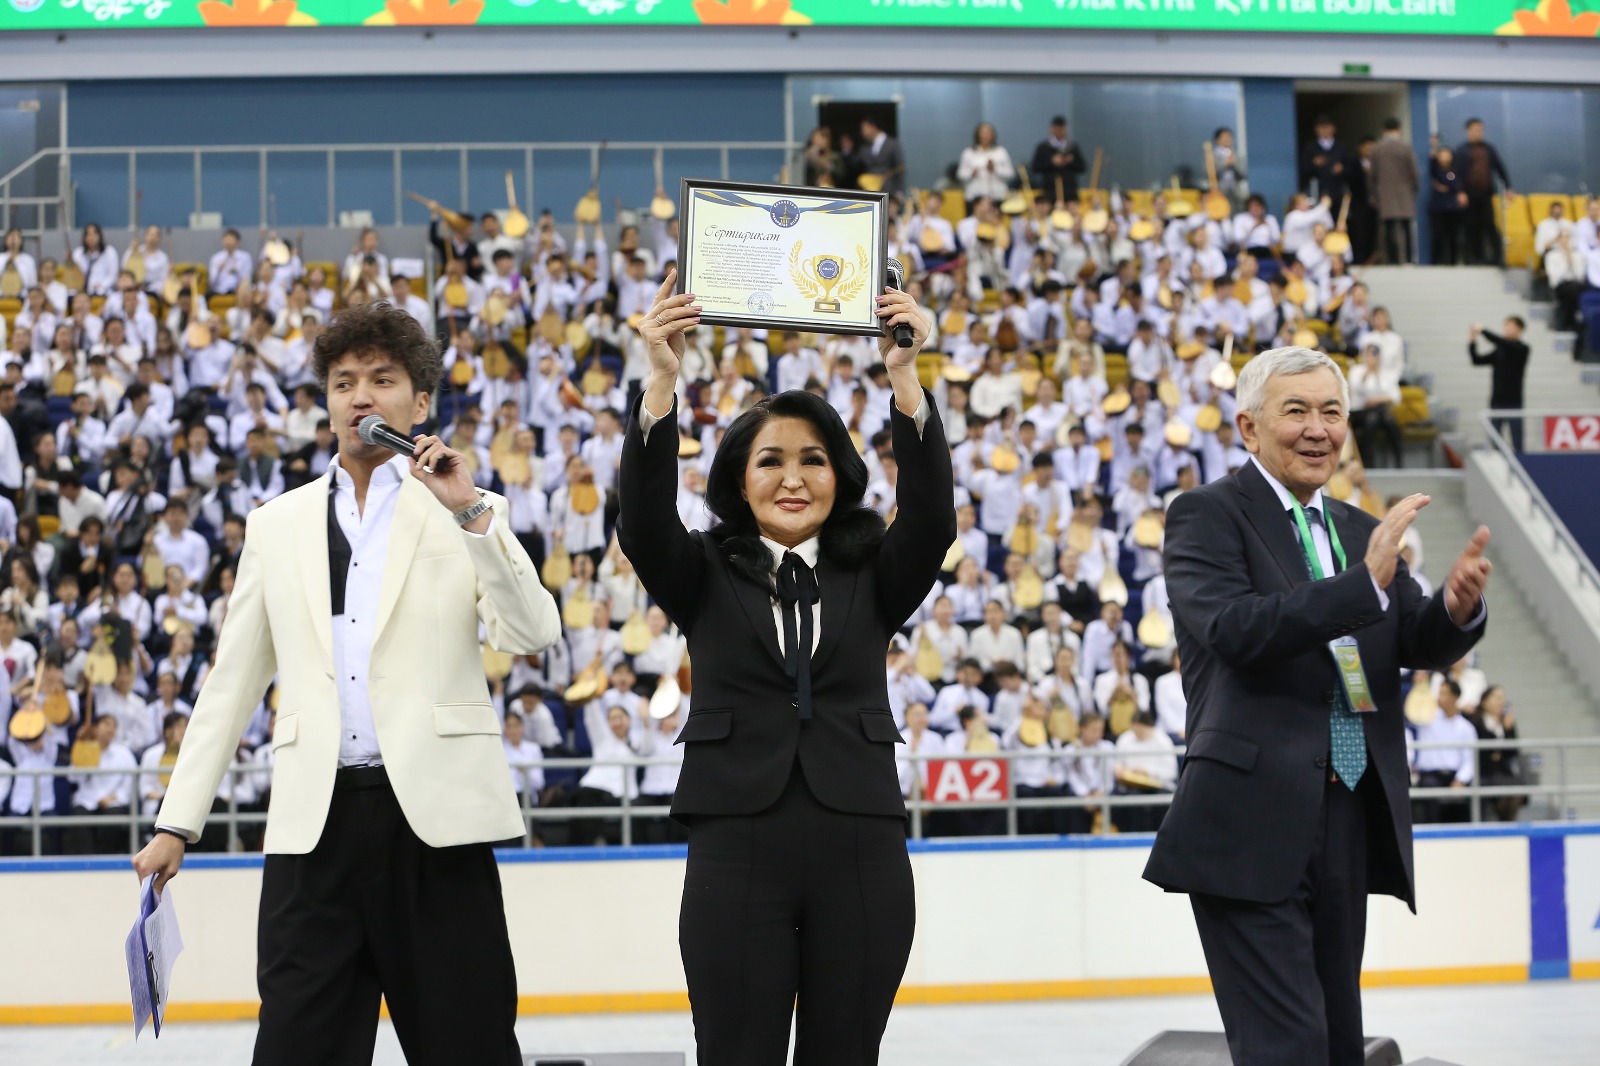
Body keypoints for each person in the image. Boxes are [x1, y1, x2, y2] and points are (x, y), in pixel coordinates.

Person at [131, 301, 562, 1065]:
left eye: (382, 379)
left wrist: (468, 512)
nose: (361, 395)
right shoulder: (276, 524)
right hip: (314, 830)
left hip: (437, 825)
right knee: (297, 1047)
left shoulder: (469, 509)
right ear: (328, 404)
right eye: (343, 382)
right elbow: (231, 684)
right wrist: (177, 823)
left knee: (469, 1046)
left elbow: (531, 634)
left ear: (419, 404)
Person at [618, 268, 952, 1065]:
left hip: (862, 844)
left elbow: (932, 521)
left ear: (841, 476)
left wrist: (905, 379)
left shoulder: (877, 571)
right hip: (736, 842)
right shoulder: (699, 571)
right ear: (739, 480)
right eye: (770, 461)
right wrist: (661, 381)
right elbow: (643, 523)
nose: (793, 478)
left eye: (814, 460)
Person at [1144, 344, 1492, 1066]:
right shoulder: (1205, 515)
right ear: (1248, 427)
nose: (1317, 428)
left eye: (1331, 412)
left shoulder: (1359, 529)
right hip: (1248, 818)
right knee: (1287, 1047)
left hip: (1347, 806)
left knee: (1337, 1044)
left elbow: (1414, 638)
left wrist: (1457, 610)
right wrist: (1362, 586)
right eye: (1296, 410)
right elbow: (1236, 630)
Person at [1454, 118, 1512, 267]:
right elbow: (1455, 174)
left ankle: (1498, 258)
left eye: (1480, 130)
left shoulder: (1489, 149)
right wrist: (1459, 191)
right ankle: (1472, 258)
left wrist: (1508, 187)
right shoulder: (1461, 151)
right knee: (1471, 227)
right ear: (1468, 131)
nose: (1478, 133)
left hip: (1486, 194)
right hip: (1469, 194)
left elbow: (1500, 168)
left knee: (1490, 225)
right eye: (1475, 130)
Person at [1468, 317, 1529, 450]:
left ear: (1520, 329)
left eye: (1511, 326)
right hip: (1497, 401)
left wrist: (1482, 330)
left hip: (1514, 402)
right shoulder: (1499, 350)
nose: (1507, 329)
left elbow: (1502, 342)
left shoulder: (1522, 349)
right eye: (1506, 326)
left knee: (1517, 441)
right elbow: (1477, 360)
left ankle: (1519, 461)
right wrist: (1472, 341)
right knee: (1495, 440)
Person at [1368, 118, 1419, 266]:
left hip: (1386, 193)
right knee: (1406, 226)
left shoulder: (1377, 148)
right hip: (1405, 192)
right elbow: (1414, 172)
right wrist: (1414, 189)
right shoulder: (1405, 147)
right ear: (1399, 129)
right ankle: (1409, 259)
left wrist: (1373, 194)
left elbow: (1372, 174)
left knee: (1390, 227)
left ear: (1384, 130)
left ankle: (1393, 259)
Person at [1030, 116, 1086, 202]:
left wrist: (1071, 160)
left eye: (1062, 129)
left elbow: (1083, 168)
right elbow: (1035, 167)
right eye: (1057, 129)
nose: (1060, 132)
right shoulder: (1043, 147)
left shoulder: (1072, 147)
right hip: (1050, 191)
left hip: (1069, 191)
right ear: (1052, 129)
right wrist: (1051, 161)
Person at [1428, 144, 1467, 266]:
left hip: (1453, 209)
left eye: (1447, 155)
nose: (1444, 157)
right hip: (1438, 208)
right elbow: (1433, 170)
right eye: (1442, 155)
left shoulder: (1453, 171)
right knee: (1438, 235)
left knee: (1453, 236)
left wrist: (1445, 187)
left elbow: (1453, 183)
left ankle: (1453, 261)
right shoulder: (1434, 169)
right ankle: (1436, 261)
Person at [855, 116, 904, 197]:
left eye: (864, 129)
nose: (862, 133)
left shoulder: (892, 144)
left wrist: (899, 192)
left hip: (889, 192)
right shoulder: (864, 147)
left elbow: (900, 168)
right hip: (869, 192)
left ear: (872, 127)